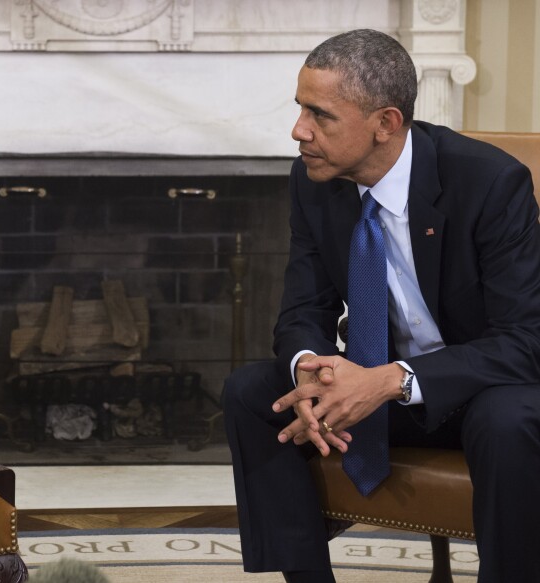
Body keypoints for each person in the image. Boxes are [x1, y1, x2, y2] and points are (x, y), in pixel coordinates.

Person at [223, 28, 540, 583]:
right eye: (300, 109)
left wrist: (391, 379)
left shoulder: (490, 183)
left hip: (479, 391)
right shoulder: (313, 180)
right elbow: (303, 309)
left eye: (320, 115)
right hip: (384, 391)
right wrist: (311, 370)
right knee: (253, 393)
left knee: (507, 418)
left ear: (385, 123)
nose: (299, 131)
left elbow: (526, 341)